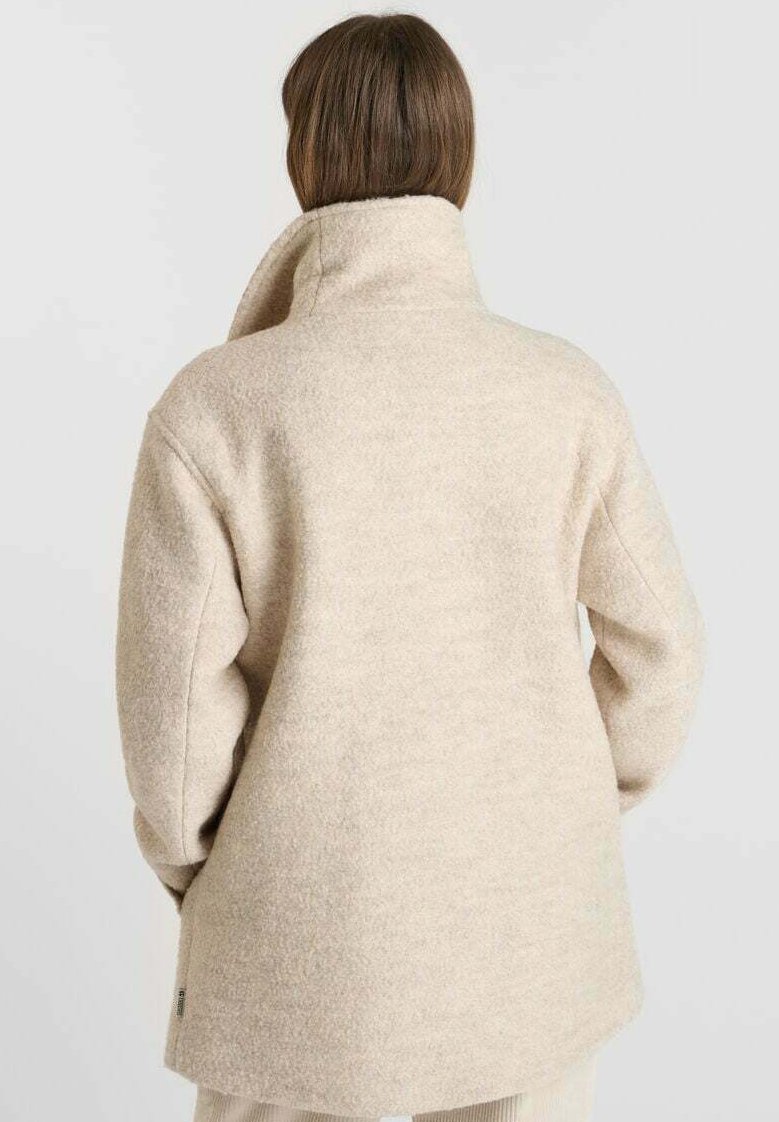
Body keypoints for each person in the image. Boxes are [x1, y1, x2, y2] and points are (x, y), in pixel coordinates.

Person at [115, 13, 705, 1122]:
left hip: (298, 945)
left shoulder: (218, 409)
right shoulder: (565, 393)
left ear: (302, 157)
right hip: (532, 937)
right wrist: (556, 807)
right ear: (459, 159)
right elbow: (662, 656)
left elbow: (174, 738)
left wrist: (216, 871)